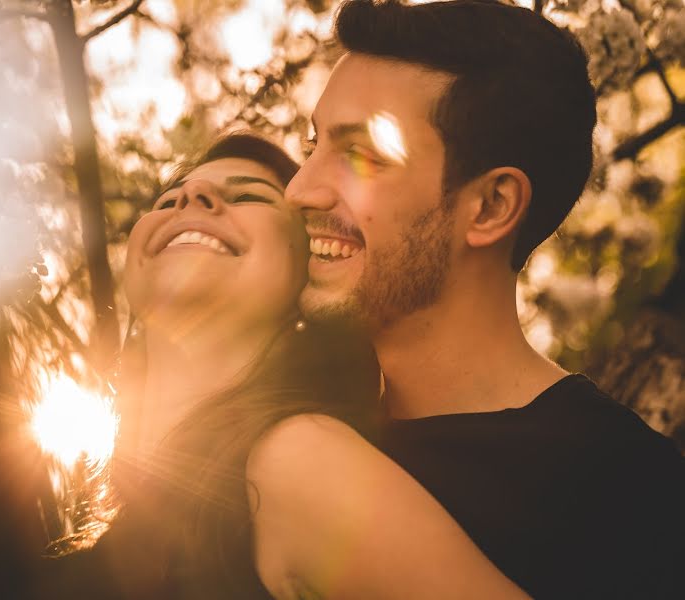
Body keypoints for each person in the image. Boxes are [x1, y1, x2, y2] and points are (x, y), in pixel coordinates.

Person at [286, 1, 685, 598]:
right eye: (312, 145)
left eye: (360, 155)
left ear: (492, 206)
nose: (299, 189)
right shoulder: (299, 429)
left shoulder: (635, 499)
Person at [43, 133, 529, 599]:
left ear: (309, 275)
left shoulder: (294, 461)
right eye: (169, 200)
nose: (192, 195)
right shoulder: (125, 523)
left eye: (249, 197)